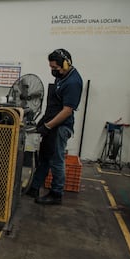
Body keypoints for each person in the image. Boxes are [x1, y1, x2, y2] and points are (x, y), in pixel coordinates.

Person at [26, 48, 83, 205]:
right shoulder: (61, 77)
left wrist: (48, 126)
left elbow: (66, 111)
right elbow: (54, 105)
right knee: (43, 157)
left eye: (55, 68)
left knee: (56, 160)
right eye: (51, 67)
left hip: (61, 127)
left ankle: (56, 193)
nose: (53, 71)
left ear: (66, 64)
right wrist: (42, 121)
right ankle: (35, 187)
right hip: (52, 123)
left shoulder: (73, 82)